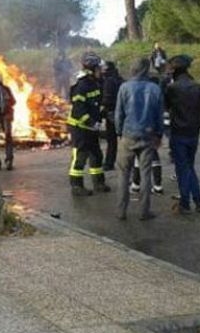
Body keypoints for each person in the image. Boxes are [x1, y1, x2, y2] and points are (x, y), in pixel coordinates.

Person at [116, 58, 164, 221]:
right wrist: (159, 134)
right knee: (146, 174)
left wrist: (119, 132)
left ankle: (121, 212)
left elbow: (119, 113)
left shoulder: (124, 87)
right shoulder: (155, 88)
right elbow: (159, 115)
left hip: (128, 135)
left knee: (123, 174)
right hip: (148, 136)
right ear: (146, 69)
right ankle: (144, 212)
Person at [165, 55, 200, 214]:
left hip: (178, 132)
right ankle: (197, 201)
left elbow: (165, 107)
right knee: (189, 166)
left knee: (183, 168)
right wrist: (197, 125)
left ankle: (186, 202)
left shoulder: (172, 88)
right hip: (193, 133)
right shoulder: (198, 87)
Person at [67, 52, 109, 196]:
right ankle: (76, 186)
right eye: (98, 68)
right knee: (80, 157)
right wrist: (92, 123)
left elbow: (97, 103)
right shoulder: (82, 85)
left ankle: (99, 183)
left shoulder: (96, 83)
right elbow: (79, 110)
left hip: (91, 127)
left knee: (96, 155)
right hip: (80, 127)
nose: (101, 71)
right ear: (91, 70)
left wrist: (102, 114)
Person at [0, 72, 16, 171]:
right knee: (8, 139)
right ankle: (9, 160)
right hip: (6, 116)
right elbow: (13, 101)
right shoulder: (5, 88)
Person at [100, 61, 123, 171]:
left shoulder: (109, 81)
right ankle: (132, 164)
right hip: (122, 113)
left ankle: (109, 163)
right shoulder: (120, 79)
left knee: (112, 140)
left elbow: (107, 99)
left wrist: (102, 110)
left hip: (112, 113)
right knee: (124, 139)